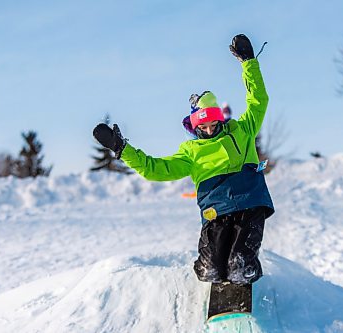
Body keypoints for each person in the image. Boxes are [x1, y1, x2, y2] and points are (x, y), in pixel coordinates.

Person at [93, 34, 274, 285]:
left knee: (239, 264)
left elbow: (258, 100)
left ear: (220, 120)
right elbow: (154, 169)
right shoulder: (191, 152)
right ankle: (219, 276)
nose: (210, 130)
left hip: (249, 205)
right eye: (205, 127)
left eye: (214, 124)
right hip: (216, 211)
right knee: (210, 268)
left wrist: (249, 63)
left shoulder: (243, 130)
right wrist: (122, 148)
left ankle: (244, 272)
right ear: (195, 127)